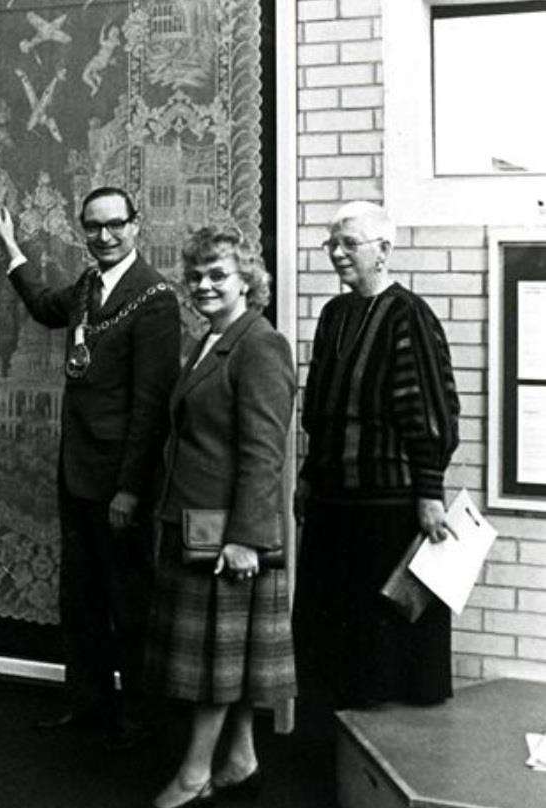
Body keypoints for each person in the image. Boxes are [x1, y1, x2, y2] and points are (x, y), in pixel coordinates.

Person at [0, 187, 180, 743]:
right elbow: (47, 307)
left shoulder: (156, 298)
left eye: (115, 225)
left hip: (120, 484)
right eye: (94, 227)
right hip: (77, 474)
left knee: (130, 603)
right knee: (82, 600)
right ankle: (89, 706)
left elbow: (152, 407)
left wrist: (129, 490)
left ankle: (141, 721)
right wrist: (11, 248)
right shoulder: (86, 286)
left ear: (136, 226)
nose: (105, 236)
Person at [143, 226, 296, 808]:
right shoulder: (211, 339)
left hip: (229, 534)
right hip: (196, 524)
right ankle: (240, 756)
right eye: (197, 276)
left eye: (218, 276)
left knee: (214, 662)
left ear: (246, 283)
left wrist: (245, 539)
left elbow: (265, 450)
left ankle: (193, 772)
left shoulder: (259, 343)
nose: (203, 285)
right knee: (222, 657)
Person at [294, 200, 460, 712]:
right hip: (331, 502)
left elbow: (431, 412)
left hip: (387, 509)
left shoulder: (408, 314)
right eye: (333, 244)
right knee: (327, 633)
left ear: (384, 250)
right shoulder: (333, 314)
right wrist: (305, 477)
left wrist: (429, 495)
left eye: (350, 243)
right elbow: (319, 411)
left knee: (381, 642)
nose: (338, 254)